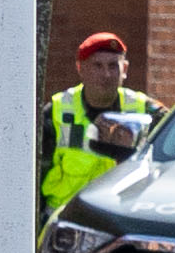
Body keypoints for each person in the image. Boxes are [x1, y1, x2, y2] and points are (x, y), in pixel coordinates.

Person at [39, 33, 157, 211]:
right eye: (97, 66)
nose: (106, 74)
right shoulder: (57, 111)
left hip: (120, 216)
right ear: (80, 68)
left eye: (113, 66)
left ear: (124, 70)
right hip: (65, 218)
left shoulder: (145, 111)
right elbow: (34, 173)